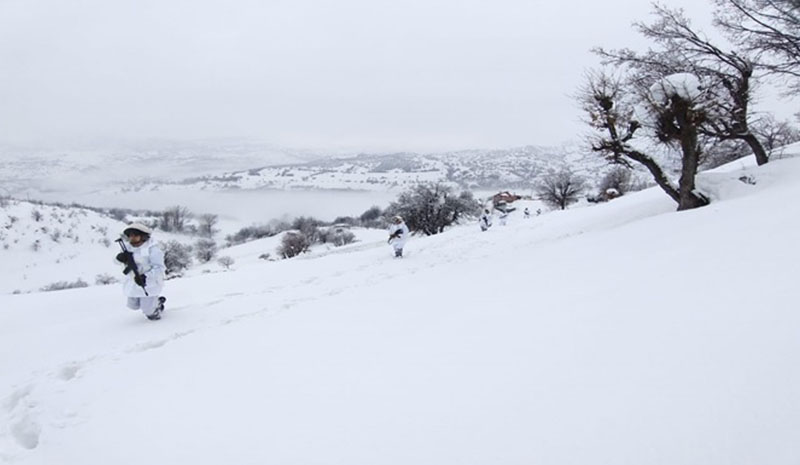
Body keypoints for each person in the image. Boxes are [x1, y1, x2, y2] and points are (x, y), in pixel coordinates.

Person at [114, 223, 167, 321]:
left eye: (135, 235)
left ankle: (157, 306)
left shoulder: (153, 249)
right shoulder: (128, 248)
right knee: (133, 306)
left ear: (143, 236)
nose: (132, 238)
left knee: (149, 312)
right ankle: (156, 302)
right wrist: (119, 259)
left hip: (149, 284)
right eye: (130, 236)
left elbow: (160, 268)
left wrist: (146, 277)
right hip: (133, 282)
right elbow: (118, 263)